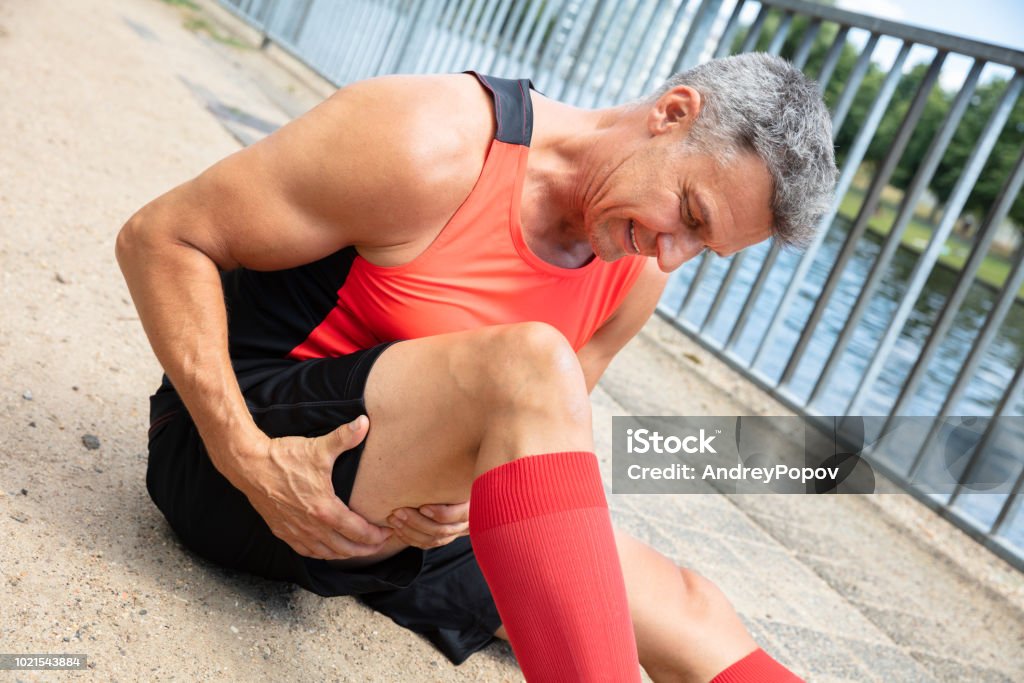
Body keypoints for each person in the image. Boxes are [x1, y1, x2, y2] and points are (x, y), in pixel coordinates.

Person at [116, 52, 836, 681]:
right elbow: (162, 237)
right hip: (244, 465)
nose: (672, 254)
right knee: (528, 363)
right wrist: (246, 456)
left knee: (691, 610)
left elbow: (533, 442)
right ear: (672, 113)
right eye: (691, 214)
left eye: (702, 249)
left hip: (397, 525)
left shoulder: (636, 273)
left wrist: (465, 496)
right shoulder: (430, 138)